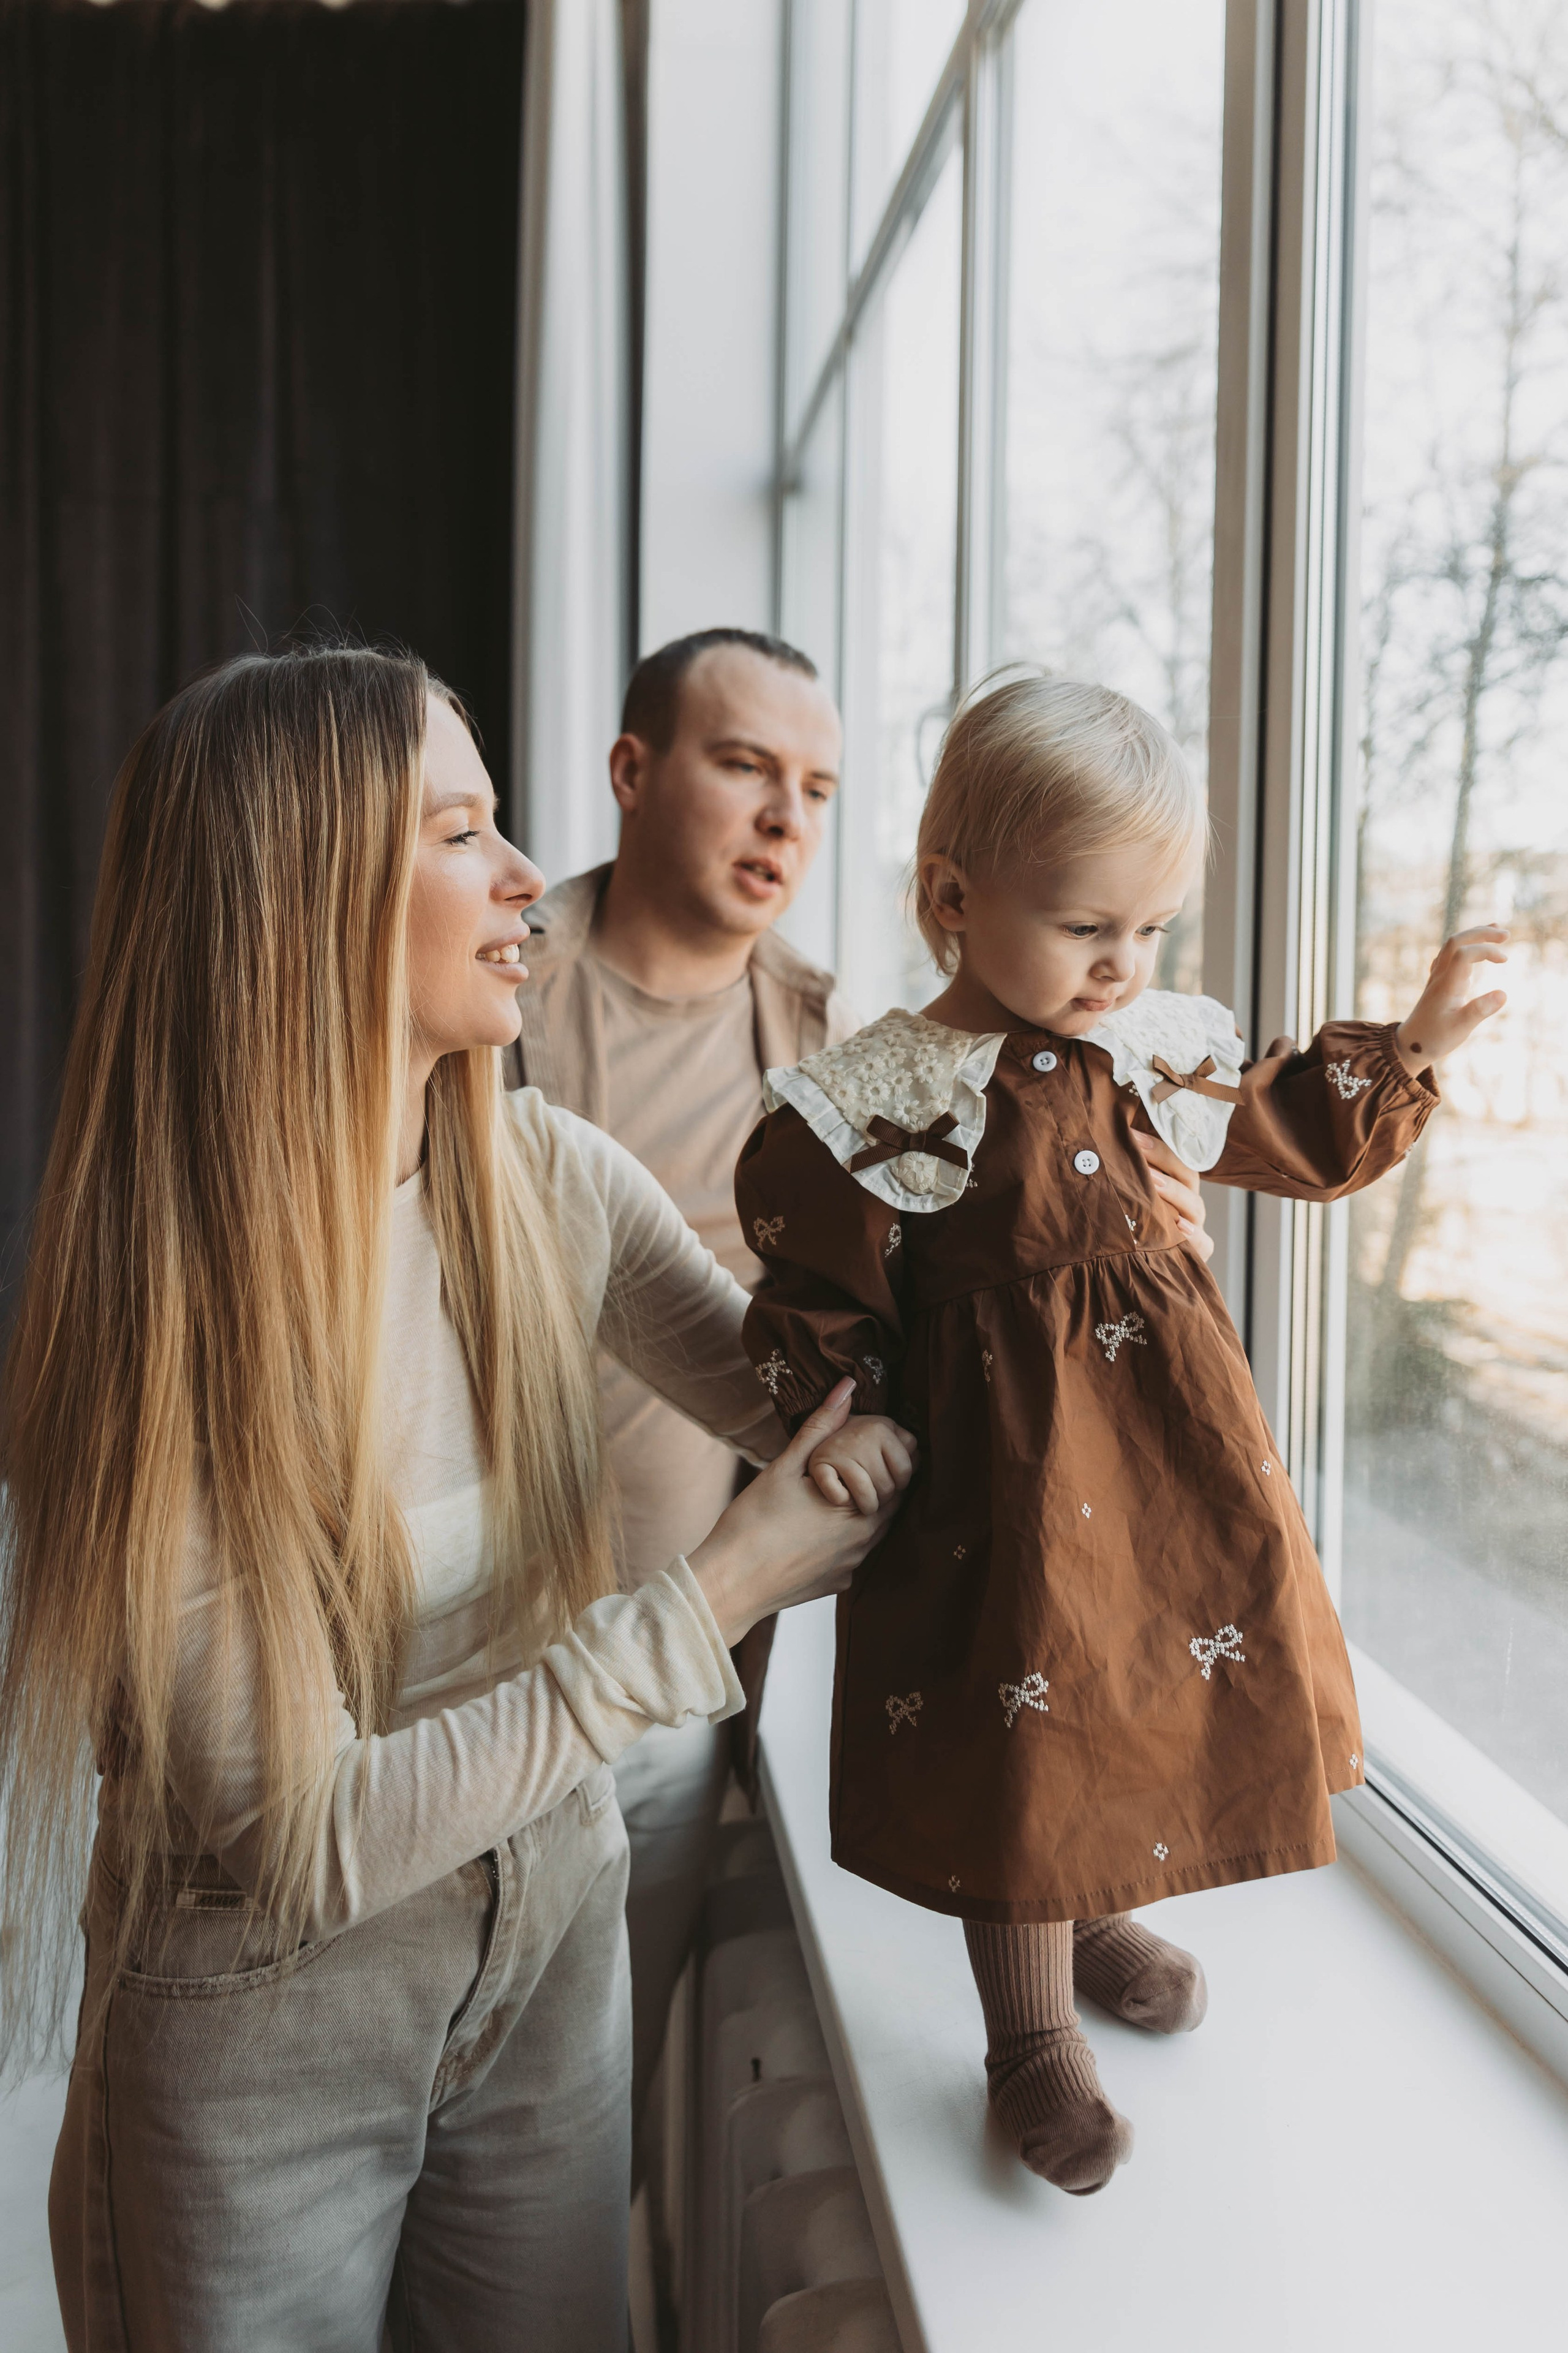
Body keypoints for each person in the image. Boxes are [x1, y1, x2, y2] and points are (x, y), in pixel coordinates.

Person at [0, 646, 916, 2351]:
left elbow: (828, 1408)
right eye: (459, 834)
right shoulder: (165, 1318)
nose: (522, 878)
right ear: (304, 896)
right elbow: (307, 1838)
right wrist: (716, 1591)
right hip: (261, 2029)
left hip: (550, 1943)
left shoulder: (547, 1179)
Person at [736, 671, 1508, 2196]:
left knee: (1135, 1688)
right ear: (951, 897)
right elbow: (807, 1281)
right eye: (1088, 927)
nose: (1121, 965)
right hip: (1002, 1492)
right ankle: (1026, 2036)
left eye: (1147, 930)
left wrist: (1407, 1043)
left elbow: (1286, 1125)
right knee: (1024, 1725)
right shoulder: (885, 1100)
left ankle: (1089, 1914)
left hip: (1154, 1461)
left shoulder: (1154, 1050)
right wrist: (852, 1416)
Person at [505, 625, 859, 2140]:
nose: (786, 818)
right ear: (633, 773)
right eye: (744, 767)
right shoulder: (498, 995)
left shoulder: (834, 1044)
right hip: (443, 1661)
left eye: (817, 788)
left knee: (591, 2131)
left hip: (669, 1674)